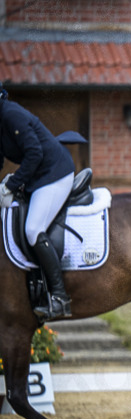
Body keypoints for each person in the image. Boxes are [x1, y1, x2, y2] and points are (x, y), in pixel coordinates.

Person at [0, 87, 76, 319]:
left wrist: (11, 185)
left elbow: (35, 154)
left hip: (55, 173)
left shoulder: (12, 114)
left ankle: (60, 297)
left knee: (33, 229)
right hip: (38, 177)